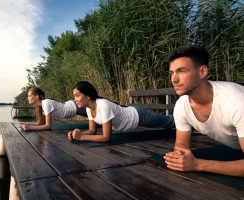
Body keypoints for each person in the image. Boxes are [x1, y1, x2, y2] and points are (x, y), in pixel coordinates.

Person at [164, 45, 244, 177]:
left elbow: (195, 164)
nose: (174, 79)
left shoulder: (236, 102)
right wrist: (181, 158)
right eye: (172, 73)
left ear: (202, 72)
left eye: (181, 71)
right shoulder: (181, 106)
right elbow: (181, 148)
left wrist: (198, 164)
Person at [67, 81, 175, 142]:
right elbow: (92, 130)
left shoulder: (103, 105)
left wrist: (81, 137)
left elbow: (106, 137)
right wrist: (77, 134)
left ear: (88, 95)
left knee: (169, 122)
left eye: (77, 95)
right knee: (167, 125)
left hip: (137, 116)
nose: (75, 99)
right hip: (133, 116)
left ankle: (188, 118)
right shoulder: (89, 109)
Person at [19, 87, 87, 131]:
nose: (28, 98)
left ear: (37, 96)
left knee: (96, 115)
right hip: (74, 108)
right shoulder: (40, 106)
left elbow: (48, 126)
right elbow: (39, 123)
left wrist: (29, 127)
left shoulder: (46, 103)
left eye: (29, 96)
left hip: (76, 107)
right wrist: (26, 123)